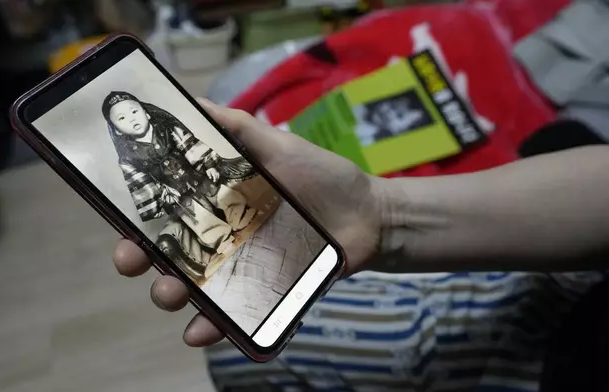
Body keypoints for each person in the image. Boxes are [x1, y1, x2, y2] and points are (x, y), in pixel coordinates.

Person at [112, 99, 609, 391]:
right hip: (568, 292)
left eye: (135, 111)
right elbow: (151, 201)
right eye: (123, 122)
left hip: (544, 357)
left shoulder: (172, 127)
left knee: (237, 352)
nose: (133, 121)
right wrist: (381, 211)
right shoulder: (137, 159)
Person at [103, 92, 257, 281]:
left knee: (221, 192)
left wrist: (208, 164)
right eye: (122, 118)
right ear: (117, 130)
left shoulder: (166, 128)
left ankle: (241, 216)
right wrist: (160, 196)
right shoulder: (128, 158)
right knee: (197, 218)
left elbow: (189, 144)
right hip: (174, 192)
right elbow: (139, 182)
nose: (131, 118)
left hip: (195, 174)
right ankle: (220, 240)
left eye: (134, 111)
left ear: (147, 112)